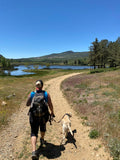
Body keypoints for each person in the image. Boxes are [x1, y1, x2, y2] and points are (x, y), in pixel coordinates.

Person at [26, 79, 55, 159]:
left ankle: (34, 151)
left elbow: (27, 104)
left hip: (33, 116)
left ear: (36, 86)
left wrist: (31, 98)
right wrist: (52, 112)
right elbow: (50, 104)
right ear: (42, 86)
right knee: (42, 128)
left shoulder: (32, 93)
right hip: (43, 116)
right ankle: (42, 139)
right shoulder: (46, 94)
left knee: (34, 132)